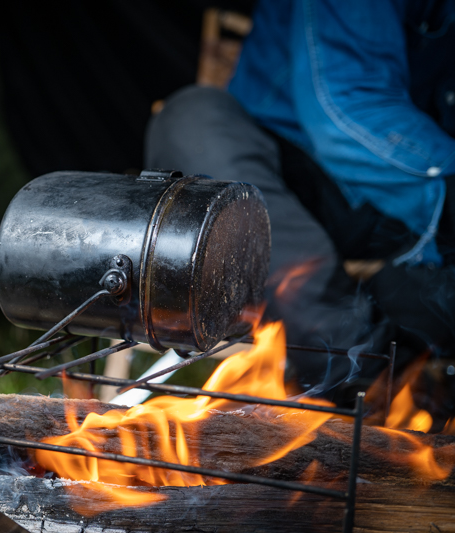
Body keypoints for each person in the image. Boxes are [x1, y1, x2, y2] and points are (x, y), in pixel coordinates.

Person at [145, 0, 455, 386]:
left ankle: (403, 372)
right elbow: (347, 105)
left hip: (400, 216)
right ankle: (356, 375)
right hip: (282, 181)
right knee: (189, 119)